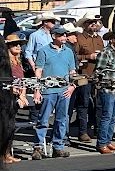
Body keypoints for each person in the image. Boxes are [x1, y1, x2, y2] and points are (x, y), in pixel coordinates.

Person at [32, 26, 76, 160]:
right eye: (61, 35)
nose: (64, 37)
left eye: (65, 35)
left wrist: (72, 86)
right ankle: (38, 147)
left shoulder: (68, 51)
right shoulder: (43, 51)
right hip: (48, 91)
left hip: (64, 91)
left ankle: (58, 147)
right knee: (43, 120)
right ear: (54, 36)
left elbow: (72, 72)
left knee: (62, 120)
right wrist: (37, 90)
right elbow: (38, 71)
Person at [75, 14, 104, 143]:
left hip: (98, 75)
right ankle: (83, 132)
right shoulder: (79, 39)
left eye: (95, 22)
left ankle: (98, 129)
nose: (93, 24)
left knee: (99, 103)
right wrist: (88, 57)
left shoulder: (99, 39)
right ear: (84, 25)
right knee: (84, 103)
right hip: (84, 74)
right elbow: (74, 56)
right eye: (90, 22)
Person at [5, 33, 28, 164]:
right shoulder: (5, 62)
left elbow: (22, 80)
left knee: (11, 126)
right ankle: (4, 154)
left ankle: (7, 153)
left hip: (17, 97)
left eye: (20, 44)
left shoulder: (18, 62)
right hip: (7, 97)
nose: (18, 46)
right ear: (8, 47)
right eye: (15, 44)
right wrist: (15, 92)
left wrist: (23, 94)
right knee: (5, 126)